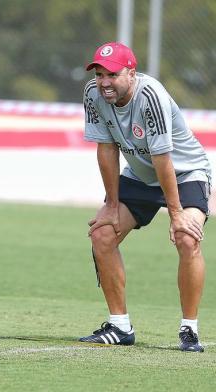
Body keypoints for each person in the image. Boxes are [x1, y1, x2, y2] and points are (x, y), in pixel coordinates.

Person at [80, 42, 212, 352]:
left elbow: (163, 157)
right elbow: (106, 148)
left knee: (186, 238)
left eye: (112, 74)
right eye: (99, 74)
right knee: (101, 234)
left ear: (131, 72)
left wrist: (176, 212)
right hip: (140, 174)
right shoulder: (93, 94)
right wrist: (111, 205)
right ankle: (119, 326)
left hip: (183, 172)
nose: (104, 82)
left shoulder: (150, 95)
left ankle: (189, 329)